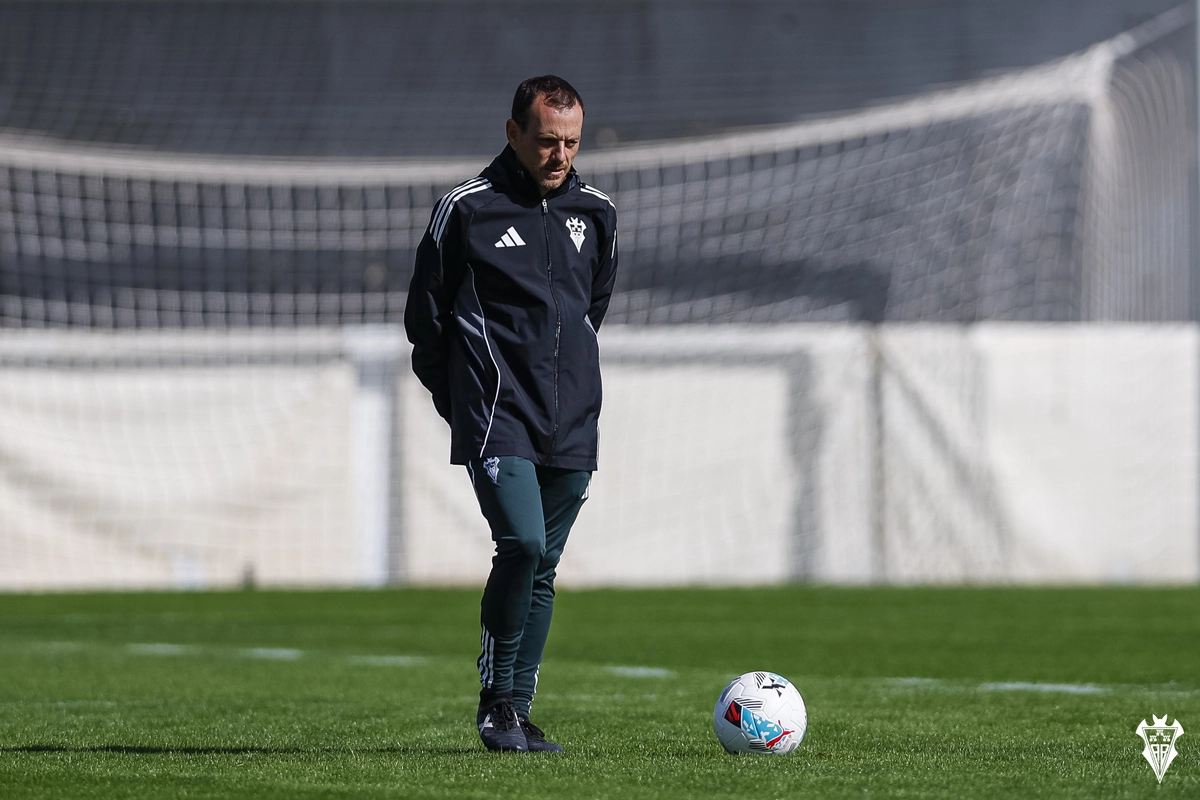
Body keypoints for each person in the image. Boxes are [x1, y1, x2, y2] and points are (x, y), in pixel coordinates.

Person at [404, 75, 618, 753]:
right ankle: (496, 701)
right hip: (496, 413)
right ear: (514, 133)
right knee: (521, 543)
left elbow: (591, 308)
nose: (561, 155)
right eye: (548, 140)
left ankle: (519, 712)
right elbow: (425, 321)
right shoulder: (467, 209)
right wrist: (460, 402)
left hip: (572, 417)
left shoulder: (597, 213)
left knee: (544, 563)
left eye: (572, 142)